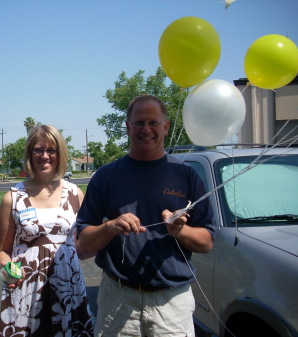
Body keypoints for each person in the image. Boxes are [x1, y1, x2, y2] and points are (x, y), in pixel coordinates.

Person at [75, 94, 216, 337]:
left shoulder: (186, 175)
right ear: (128, 127)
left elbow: (206, 243)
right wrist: (111, 228)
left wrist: (180, 230)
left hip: (171, 303)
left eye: (153, 122)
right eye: (139, 123)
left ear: (166, 126)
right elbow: (84, 242)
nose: (146, 129)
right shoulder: (106, 177)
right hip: (118, 300)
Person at [0, 124, 94, 337]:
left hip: (69, 288)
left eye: (51, 150)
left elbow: (83, 245)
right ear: (30, 154)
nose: (45, 156)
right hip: (25, 290)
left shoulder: (75, 193)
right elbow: (2, 252)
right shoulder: (12, 198)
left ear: (60, 154)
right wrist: (8, 270)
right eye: (38, 150)